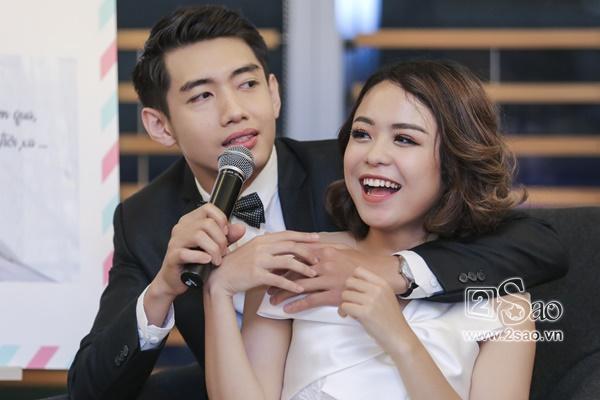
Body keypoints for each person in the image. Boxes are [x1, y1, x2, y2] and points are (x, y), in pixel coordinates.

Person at [67, 6, 565, 400]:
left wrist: (393, 274)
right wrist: (169, 288)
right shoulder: (145, 221)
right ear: (159, 125)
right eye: (201, 96)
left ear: (274, 93)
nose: (234, 111)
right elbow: (90, 386)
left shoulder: (351, 173)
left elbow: (539, 245)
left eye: (247, 84)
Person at [204, 59, 537, 399]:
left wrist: (400, 340)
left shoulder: (506, 303)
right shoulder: (293, 261)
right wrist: (217, 290)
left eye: (404, 139)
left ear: (456, 161)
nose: (374, 155)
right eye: (362, 134)